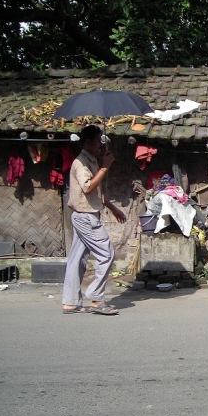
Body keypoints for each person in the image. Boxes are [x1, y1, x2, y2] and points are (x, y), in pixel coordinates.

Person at [62, 125, 126, 315]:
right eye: (97, 141)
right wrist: (105, 168)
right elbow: (88, 187)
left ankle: (70, 302)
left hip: (85, 214)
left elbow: (96, 192)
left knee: (77, 260)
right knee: (107, 253)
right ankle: (96, 298)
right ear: (87, 142)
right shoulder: (80, 163)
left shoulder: (91, 161)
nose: (100, 144)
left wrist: (113, 207)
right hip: (85, 217)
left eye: (100, 140)